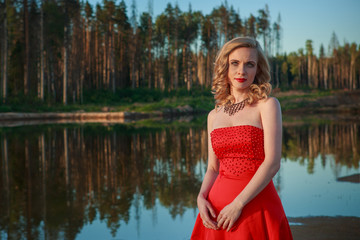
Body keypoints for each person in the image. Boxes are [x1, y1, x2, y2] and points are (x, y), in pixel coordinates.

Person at [191, 37, 293, 239]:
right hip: (216, 211)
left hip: (256, 205)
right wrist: (201, 197)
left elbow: (272, 164)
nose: (242, 71)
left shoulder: (268, 105)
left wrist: (238, 204)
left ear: (257, 70)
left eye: (250, 64)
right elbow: (213, 168)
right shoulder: (213, 115)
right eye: (235, 63)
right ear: (225, 67)